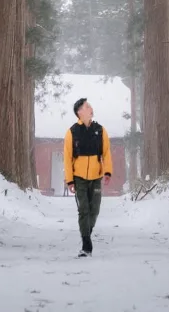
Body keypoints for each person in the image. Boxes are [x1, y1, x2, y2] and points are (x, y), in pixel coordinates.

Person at [63, 97, 112, 257]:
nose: (91, 108)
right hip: (79, 179)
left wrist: (107, 172)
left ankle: (87, 234)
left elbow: (106, 153)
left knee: (94, 210)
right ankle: (86, 245)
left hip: (96, 177)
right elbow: (67, 158)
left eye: (90, 106)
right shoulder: (72, 132)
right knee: (84, 210)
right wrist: (70, 180)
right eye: (87, 106)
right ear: (79, 112)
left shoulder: (100, 130)